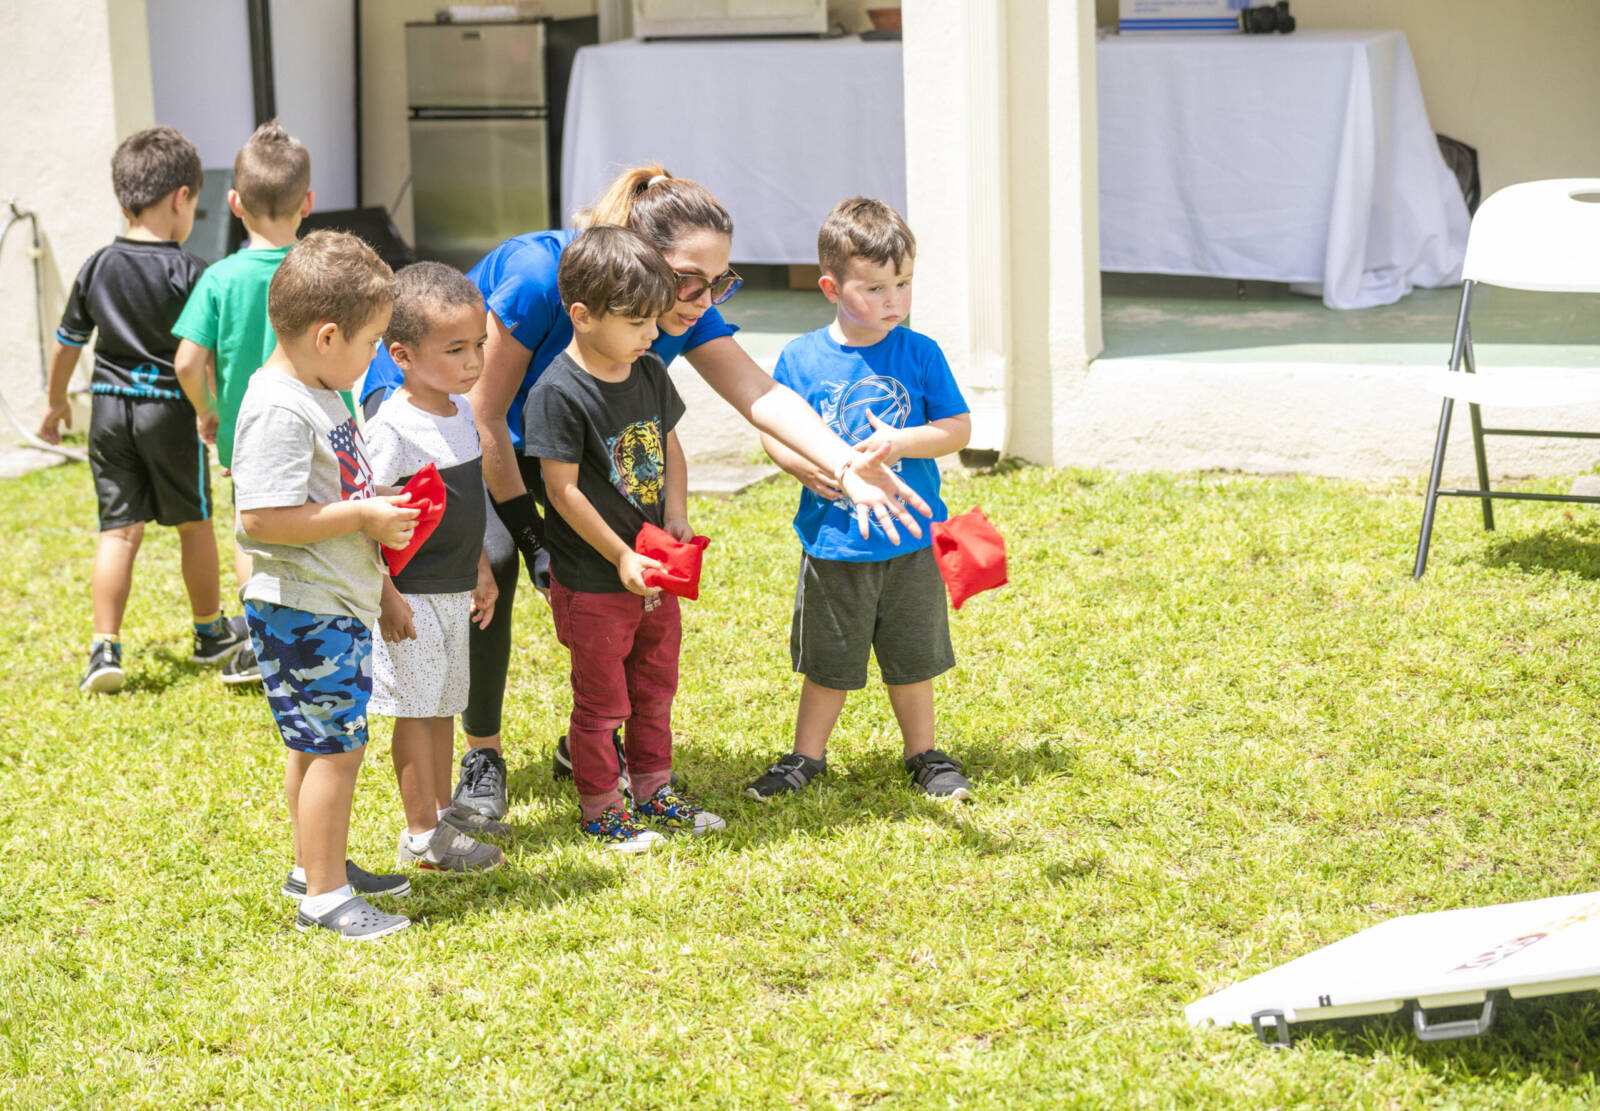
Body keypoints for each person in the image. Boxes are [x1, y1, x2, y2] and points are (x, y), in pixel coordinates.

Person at [359, 165, 934, 820]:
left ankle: (593, 734)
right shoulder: (541, 273)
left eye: (720, 281)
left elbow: (760, 393)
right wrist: (531, 536)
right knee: (488, 560)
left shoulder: (683, 307)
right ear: (636, 256)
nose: (702, 298)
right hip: (444, 407)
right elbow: (483, 416)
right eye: (689, 279)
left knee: (614, 565)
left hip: (566, 432)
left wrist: (844, 464)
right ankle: (483, 750)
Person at [743, 198, 976, 803]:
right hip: (835, 542)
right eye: (875, 287)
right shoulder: (801, 357)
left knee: (913, 659)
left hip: (910, 541)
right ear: (831, 287)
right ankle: (805, 758)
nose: (894, 300)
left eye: (903, 284)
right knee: (829, 663)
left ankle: (924, 754)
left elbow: (957, 428)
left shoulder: (920, 352)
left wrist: (900, 442)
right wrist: (808, 467)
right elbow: (774, 431)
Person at [232, 231, 420, 940]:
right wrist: (364, 514)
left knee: (314, 744)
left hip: (334, 600)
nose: (373, 356)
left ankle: (317, 863)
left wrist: (383, 590)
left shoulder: (323, 389)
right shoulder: (282, 408)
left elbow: (335, 507)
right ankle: (325, 895)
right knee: (336, 748)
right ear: (328, 333)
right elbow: (264, 516)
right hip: (303, 610)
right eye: (371, 342)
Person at [524, 225, 725, 851]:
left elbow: (668, 444)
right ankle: (601, 806)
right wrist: (620, 554)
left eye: (652, 319)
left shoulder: (650, 370)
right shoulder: (556, 392)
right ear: (582, 316)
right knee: (603, 701)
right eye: (636, 321)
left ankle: (654, 790)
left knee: (654, 688)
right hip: (593, 580)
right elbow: (562, 492)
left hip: (653, 570)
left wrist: (676, 514)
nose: (650, 332)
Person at [38, 126, 249, 694]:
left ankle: (104, 649)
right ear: (182, 197)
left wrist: (58, 404)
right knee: (194, 523)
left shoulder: (97, 264)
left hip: (108, 412)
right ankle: (210, 633)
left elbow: (67, 343)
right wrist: (209, 410)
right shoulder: (189, 271)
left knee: (118, 531)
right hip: (167, 413)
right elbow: (197, 357)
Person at [366, 263, 506, 874]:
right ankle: (421, 832)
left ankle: (441, 821)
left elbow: (464, 503)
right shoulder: (392, 427)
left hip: (454, 592)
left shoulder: (460, 414)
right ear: (401, 354)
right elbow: (362, 517)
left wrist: (480, 569)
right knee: (416, 713)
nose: (474, 362)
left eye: (479, 345)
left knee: (443, 706)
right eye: (455, 349)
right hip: (411, 598)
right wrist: (385, 594)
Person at [172, 118, 317, 686]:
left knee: (250, 533)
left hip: (249, 435)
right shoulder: (318, 270)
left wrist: (209, 410)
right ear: (308, 201)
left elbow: (186, 360)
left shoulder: (220, 277)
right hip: (321, 427)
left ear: (234, 202)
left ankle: (264, 641)